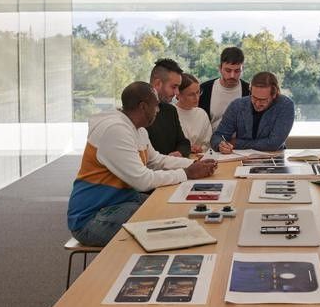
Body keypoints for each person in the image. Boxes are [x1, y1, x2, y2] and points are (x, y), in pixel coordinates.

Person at [67, 81, 217, 247]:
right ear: (143, 107)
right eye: (156, 106)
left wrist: (195, 164)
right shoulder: (115, 131)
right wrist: (187, 173)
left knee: (170, 209)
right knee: (168, 226)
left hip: (119, 202)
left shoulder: (138, 129)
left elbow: (157, 161)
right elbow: (142, 181)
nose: (158, 111)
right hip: (91, 219)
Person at [211, 71, 294, 152]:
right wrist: (220, 144)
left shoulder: (285, 105)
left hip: (274, 158)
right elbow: (217, 136)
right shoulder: (237, 105)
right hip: (240, 158)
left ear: (274, 95)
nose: (257, 104)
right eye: (254, 97)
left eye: (262, 100)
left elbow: (273, 143)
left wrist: (237, 143)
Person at [146, 58, 191, 157]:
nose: (177, 93)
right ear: (157, 84)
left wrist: (179, 153)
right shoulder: (138, 112)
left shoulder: (170, 110)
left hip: (172, 168)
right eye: (174, 87)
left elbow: (184, 143)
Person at [199, 47, 250, 129]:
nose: (232, 75)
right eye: (228, 70)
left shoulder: (249, 91)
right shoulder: (205, 89)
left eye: (237, 71)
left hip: (240, 141)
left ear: (242, 69)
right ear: (220, 68)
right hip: (209, 140)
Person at [176, 73, 213, 153]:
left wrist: (201, 148)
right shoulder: (171, 113)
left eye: (198, 92)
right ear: (178, 94)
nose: (196, 98)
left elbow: (208, 143)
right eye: (191, 94)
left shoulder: (201, 114)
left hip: (199, 158)